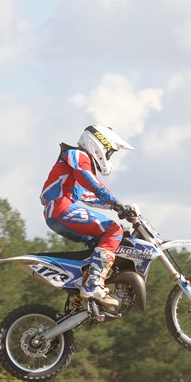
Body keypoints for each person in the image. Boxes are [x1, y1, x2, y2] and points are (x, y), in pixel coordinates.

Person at [40, 125, 138, 308]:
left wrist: (118, 207)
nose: (108, 157)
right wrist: (114, 201)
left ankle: (82, 290)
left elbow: (89, 197)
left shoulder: (74, 168)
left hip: (57, 211)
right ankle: (93, 285)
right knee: (113, 230)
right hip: (61, 208)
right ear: (99, 144)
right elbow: (92, 183)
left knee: (101, 243)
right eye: (109, 152)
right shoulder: (77, 155)